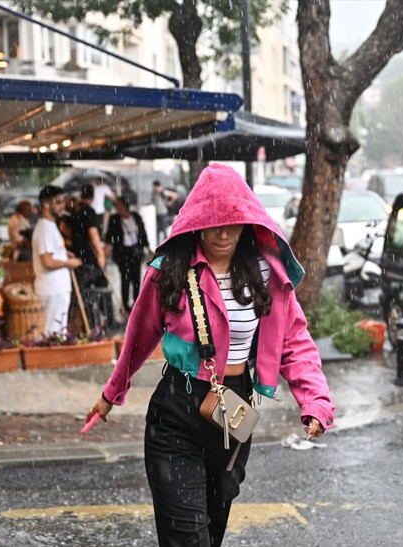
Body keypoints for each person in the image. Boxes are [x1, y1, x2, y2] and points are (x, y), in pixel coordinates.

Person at [87, 163, 335, 547]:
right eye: (215, 222)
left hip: (233, 415)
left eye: (232, 222)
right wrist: (111, 393)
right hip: (176, 412)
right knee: (189, 539)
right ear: (197, 221)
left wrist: (315, 399)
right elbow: (138, 338)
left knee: (211, 533)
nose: (223, 233)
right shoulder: (169, 271)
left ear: (247, 221)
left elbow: (294, 341)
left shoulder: (265, 273)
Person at [31, 185, 81, 333]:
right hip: (52, 289)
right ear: (46, 204)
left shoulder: (50, 225)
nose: (62, 206)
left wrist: (64, 253)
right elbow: (47, 261)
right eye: (58, 202)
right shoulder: (45, 227)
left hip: (57, 288)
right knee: (53, 333)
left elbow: (51, 253)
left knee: (58, 332)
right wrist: (68, 263)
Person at [67, 184, 112, 331]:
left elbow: (68, 232)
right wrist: (100, 255)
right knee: (102, 288)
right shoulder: (89, 211)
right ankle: (106, 321)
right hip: (89, 258)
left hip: (78, 257)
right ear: (93, 196)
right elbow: (93, 235)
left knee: (81, 292)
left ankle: (87, 323)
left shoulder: (74, 211)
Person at [104, 195, 151, 313]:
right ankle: (125, 305)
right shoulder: (114, 219)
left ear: (125, 205)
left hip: (136, 251)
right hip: (122, 252)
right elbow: (110, 236)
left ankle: (136, 303)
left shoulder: (135, 217)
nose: (116, 207)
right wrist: (106, 250)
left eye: (118, 205)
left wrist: (147, 247)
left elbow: (142, 233)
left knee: (136, 278)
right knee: (125, 278)